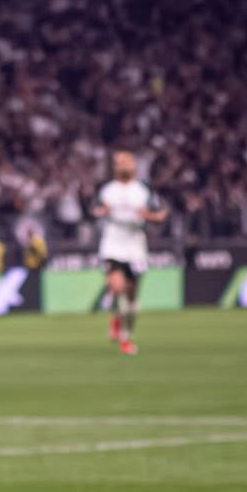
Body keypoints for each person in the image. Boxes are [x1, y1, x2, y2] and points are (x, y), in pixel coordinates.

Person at [92, 151, 167, 355]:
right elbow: (97, 209)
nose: (123, 166)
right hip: (113, 244)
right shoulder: (108, 190)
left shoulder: (143, 190)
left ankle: (126, 336)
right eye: (120, 163)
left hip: (135, 246)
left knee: (132, 299)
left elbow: (160, 213)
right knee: (117, 287)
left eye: (127, 163)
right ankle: (116, 319)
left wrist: (151, 216)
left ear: (134, 167)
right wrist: (101, 212)